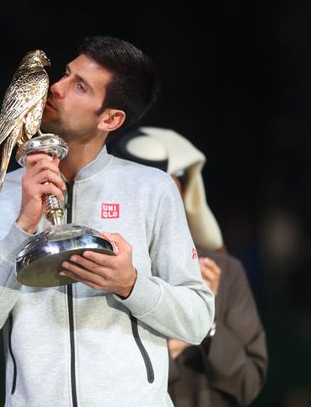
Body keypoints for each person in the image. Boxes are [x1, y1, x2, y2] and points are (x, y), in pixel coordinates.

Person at [0, 36, 215, 406]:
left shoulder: (151, 189)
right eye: (64, 74)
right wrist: (22, 227)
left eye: (79, 86)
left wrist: (131, 284)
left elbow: (198, 320)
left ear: (110, 118)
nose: (55, 88)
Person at [109, 127, 268, 406]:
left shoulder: (223, 270)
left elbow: (249, 383)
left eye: (171, 183)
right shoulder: (100, 269)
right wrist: (168, 349)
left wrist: (206, 321)